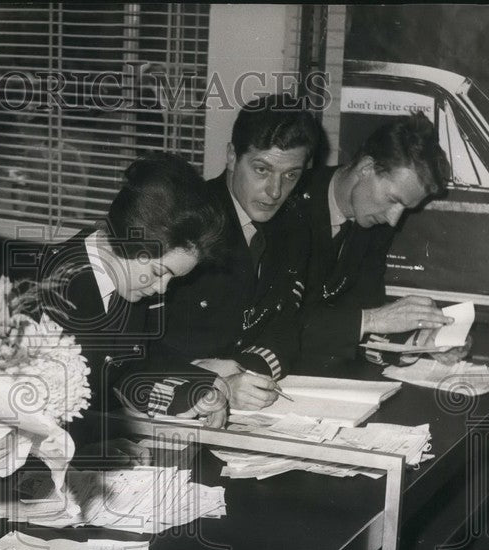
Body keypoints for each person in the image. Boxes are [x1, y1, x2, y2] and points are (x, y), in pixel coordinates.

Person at [37, 153, 229, 447]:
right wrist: (95, 449)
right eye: (158, 271)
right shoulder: (52, 288)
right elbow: (29, 417)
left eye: (171, 278)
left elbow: (132, 363)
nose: (163, 288)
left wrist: (197, 388)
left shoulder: (123, 281)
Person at [147, 95, 319, 413]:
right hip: (168, 404)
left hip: (239, 405)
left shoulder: (293, 228)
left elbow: (285, 325)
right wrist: (207, 383)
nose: (275, 191)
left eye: (291, 175)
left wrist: (245, 371)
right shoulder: (182, 221)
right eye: (261, 169)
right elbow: (132, 346)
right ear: (231, 157)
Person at [297, 114, 464, 370]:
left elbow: (364, 307)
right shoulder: (291, 203)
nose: (394, 220)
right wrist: (372, 319)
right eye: (393, 199)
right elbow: (284, 323)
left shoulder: (375, 221)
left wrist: (420, 338)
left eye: (405, 208)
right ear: (366, 168)